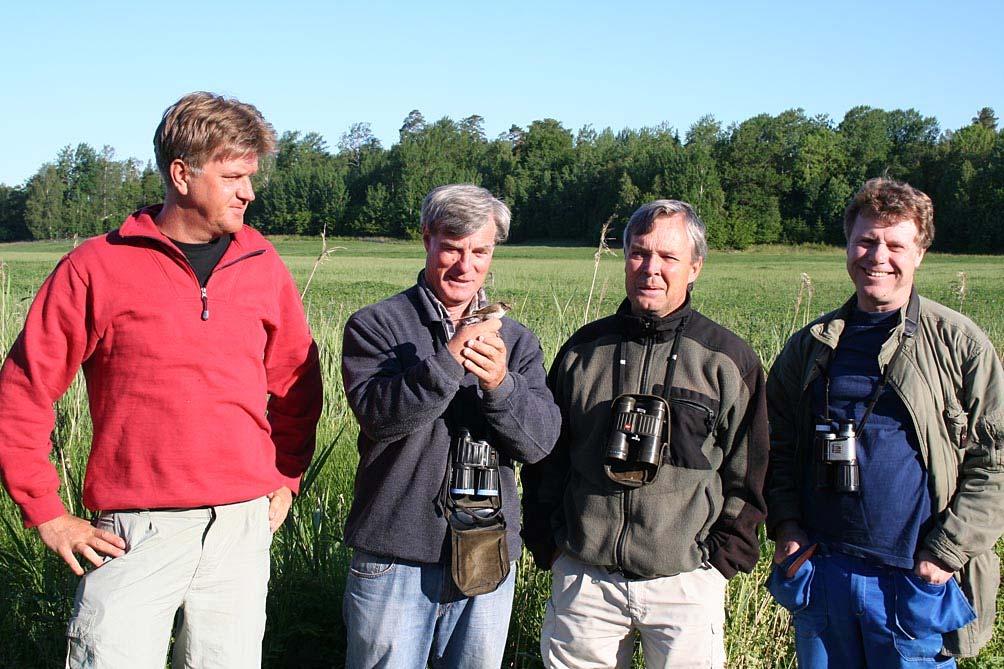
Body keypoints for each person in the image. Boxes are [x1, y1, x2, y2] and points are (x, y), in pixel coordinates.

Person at [0, 91, 323, 668]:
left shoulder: (263, 265)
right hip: (133, 533)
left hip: (240, 529)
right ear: (181, 174)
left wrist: (287, 474)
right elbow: (23, 391)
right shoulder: (95, 267)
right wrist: (45, 510)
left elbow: (298, 383)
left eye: (250, 176)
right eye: (232, 177)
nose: (248, 191)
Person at [765, 177, 1004, 667]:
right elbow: (775, 446)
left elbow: (996, 460)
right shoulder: (810, 344)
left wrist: (943, 555)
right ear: (847, 246)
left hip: (913, 580)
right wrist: (787, 526)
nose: (878, 256)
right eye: (866, 240)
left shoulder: (960, 344)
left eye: (896, 244)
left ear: (920, 253)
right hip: (822, 571)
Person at [521, 199, 770, 669]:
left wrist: (719, 563)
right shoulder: (582, 352)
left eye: (668, 257)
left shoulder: (726, 360)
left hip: (684, 584)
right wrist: (551, 547)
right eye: (638, 253)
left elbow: (750, 472)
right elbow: (545, 458)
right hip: (585, 581)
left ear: (695, 267)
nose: (650, 268)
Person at [340, 183, 560, 668]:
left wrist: (500, 384)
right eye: (452, 249)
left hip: (486, 551)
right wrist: (447, 361)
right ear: (426, 240)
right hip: (396, 553)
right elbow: (380, 417)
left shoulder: (517, 341)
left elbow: (540, 442)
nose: (466, 266)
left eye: (480, 251)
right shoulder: (376, 325)